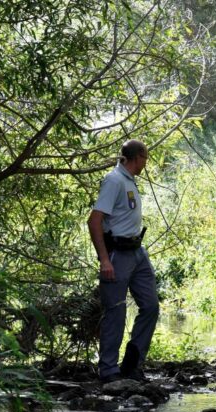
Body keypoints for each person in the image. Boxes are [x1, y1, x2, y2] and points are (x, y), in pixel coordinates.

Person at [88, 139, 159, 383]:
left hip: (137, 252)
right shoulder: (114, 180)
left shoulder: (129, 180)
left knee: (150, 306)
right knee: (115, 312)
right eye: (145, 159)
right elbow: (94, 221)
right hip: (117, 253)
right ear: (137, 157)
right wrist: (104, 260)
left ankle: (132, 363)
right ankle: (108, 370)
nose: (145, 164)